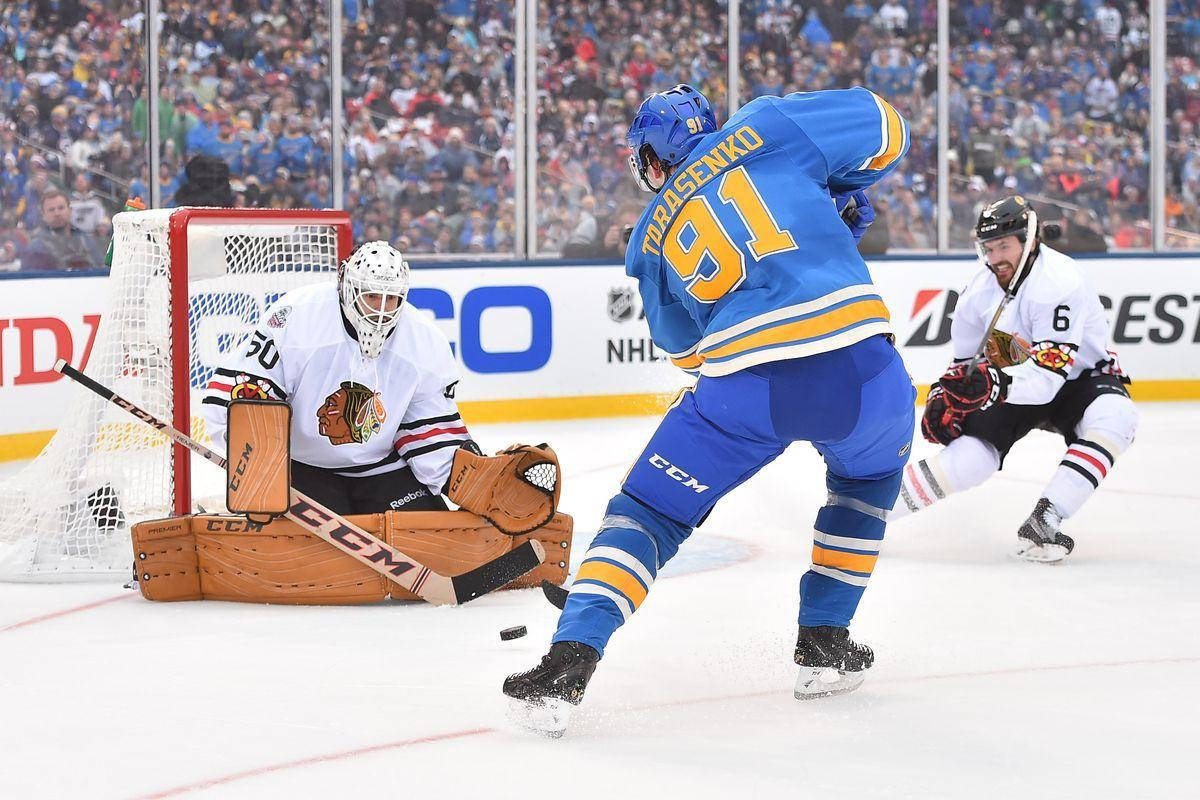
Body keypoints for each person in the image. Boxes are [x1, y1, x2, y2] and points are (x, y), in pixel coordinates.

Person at [503, 84, 916, 733]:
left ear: (651, 157)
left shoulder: (648, 237)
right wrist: (835, 185)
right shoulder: (767, 124)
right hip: (864, 370)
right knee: (867, 482)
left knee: (648, 512)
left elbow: (689, 353)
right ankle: (824, 644)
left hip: (745, 385)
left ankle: (569, 658)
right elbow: (889, 127)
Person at [891, 196, 1137, 562]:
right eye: (989, 248)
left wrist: (994, 385)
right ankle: (871, 512)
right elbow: (963, 362)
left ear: (1032, 240)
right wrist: (948, 391)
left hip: (1076, 380)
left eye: (1004, 245)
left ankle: (1046, 519)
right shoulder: (978, 293)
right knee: (972, 459)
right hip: (1010, 380)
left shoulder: (1059, 283)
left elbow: (1050, 379)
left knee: (1116, 417)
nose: (995, 258)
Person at [199, 241, 473, 515]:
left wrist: (473, 483)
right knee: (312, 554)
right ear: (346, 285)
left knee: (435, 539)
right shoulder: (298, 317)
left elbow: (428, 430)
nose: (381, 310)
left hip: (381, 467)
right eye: (371, 295)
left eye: (391, 298)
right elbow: (241, 397)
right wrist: (262, 468)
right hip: (301, 466)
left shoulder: (424, 341)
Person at [19, 189, 104, 271]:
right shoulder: (35, 248)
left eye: (61, 208)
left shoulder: (87, 242)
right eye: (51, 210)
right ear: (43, 215)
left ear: (70, 211)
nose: (57, 213)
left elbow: (101, 270)